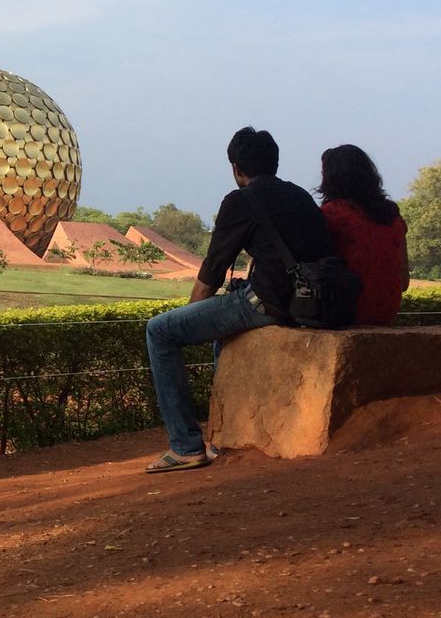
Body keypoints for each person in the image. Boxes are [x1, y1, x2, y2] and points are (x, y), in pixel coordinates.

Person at [143, 127, 336, 473]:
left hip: (269, 303)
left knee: (160, 331)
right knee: (226, 333)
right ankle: (223, 436)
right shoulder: (300, 197)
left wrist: (191, 315)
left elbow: (212, 271)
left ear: (236, 168)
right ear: (275, 162)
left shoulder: (241, 200)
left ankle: (185, 446)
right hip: (310, 303)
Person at [317, 144, 409, 325]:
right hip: (387, 312)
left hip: (346, 312)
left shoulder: (330, 215)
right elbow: (404, 282)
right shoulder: (394, 217)